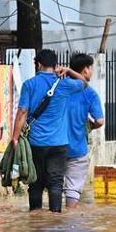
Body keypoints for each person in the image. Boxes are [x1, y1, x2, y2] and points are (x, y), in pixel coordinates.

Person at [11, 49, 88, 213]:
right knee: (56, 182)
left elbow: (22, 112)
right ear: (55, 65)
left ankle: (35, 218)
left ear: (38, 64)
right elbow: (84, 82)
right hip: (59, 144)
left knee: (35, 182)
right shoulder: (65, 84)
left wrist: (15, 138)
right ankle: (56, 218)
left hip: (36, 143)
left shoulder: (29, 84)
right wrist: (69, 71)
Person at [63, 53, 105, 209]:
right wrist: (90, 126)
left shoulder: (60, 87)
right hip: (77, 149)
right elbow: (99, 121)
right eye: (90, 68)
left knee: (54, 187)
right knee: (72, 191)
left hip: (55, 146)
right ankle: (70, 218)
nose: (91, 72)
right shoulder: (90, 93)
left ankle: (51, 220)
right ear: (85, 69)